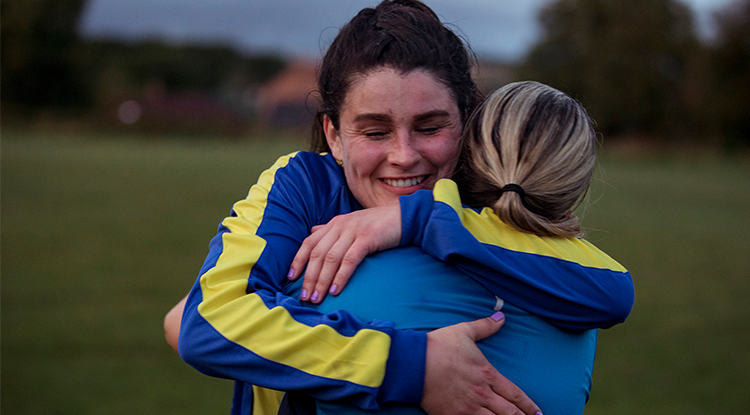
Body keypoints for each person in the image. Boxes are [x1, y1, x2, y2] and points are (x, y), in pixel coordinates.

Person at [171, 2, 633, 414]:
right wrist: (412, 367)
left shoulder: (494, 202)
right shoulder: (301, 186)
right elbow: (205, 325)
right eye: (375, 133)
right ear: (333, 135)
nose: (404, 155)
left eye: (430, 127)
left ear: (465, 120)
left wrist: (415, 220)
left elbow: (609, 290)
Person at [283, 81, 631, 415]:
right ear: (576, 188)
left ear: (467, 153)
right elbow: (616, 292)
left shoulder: (328, 277)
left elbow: (247, 323)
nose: (403, 156)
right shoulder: (578, 312)